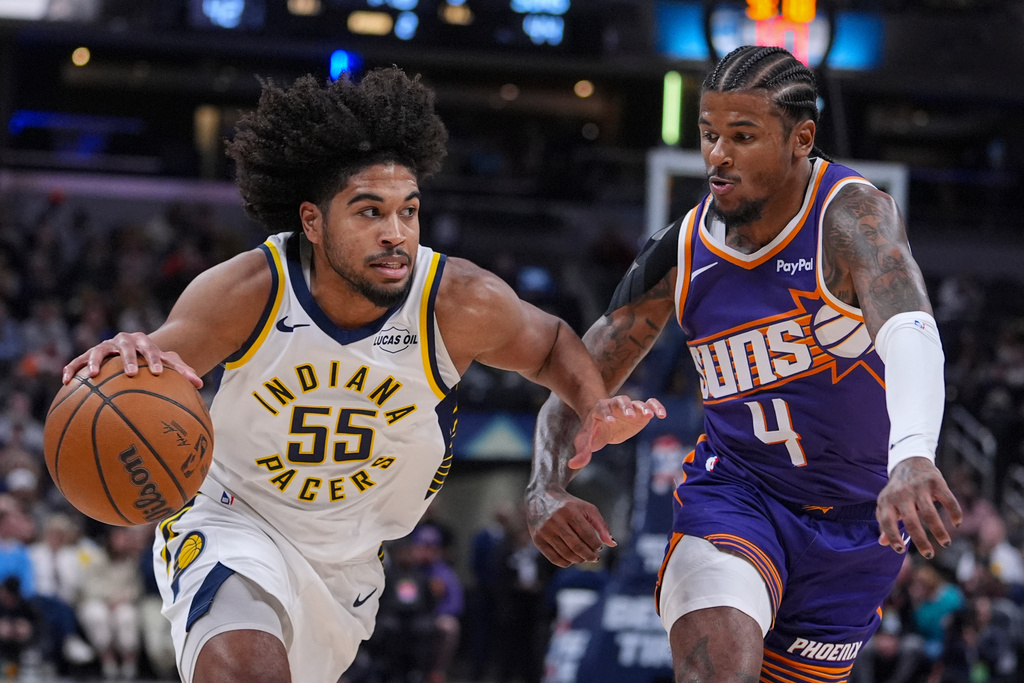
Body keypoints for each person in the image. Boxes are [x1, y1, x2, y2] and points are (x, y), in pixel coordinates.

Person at [60, 66, 665, 683]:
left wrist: (594, 406)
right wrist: (132, 356)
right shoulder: (250, 290)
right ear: (313, 222)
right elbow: (154, 365)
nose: (395, 234)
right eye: (369, 212)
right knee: (243, 669)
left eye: (409, 211)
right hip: (233, 518)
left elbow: (552, 343)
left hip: (350, 561)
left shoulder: (458, 300)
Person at [527, 45, 963, 682]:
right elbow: (577, 373)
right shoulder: (681, 249)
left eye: (742, 136)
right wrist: (544, 485)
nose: (717, 156)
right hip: (735, 496)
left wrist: (914, 454)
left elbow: (911, 327)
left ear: (800, 138)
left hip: (856, 521)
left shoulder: (850, 216)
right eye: (708, 135)